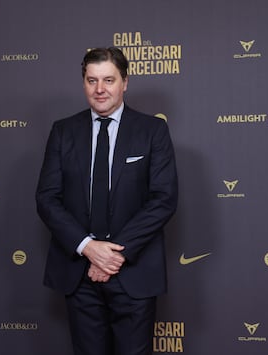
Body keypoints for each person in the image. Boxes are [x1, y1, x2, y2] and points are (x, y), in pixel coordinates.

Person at [36, 47, 178, 355]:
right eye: (92, 80)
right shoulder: (63, 131)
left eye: (109, 80)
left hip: (133, 272)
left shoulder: (153, 130)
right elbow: (47, 198)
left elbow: (163, 199)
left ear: (125, 82)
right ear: (84, 83)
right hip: (78, 274)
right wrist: (88, 247)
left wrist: (112, 256)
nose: (100, 89)